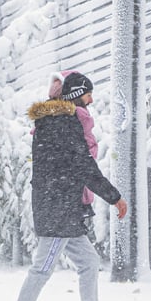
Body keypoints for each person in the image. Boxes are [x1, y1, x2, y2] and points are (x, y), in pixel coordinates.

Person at [0, 72, 129, 301]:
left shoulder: (55, 121)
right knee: (41, 271)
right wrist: (114, 197)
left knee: (89, 262)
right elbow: (84, 166)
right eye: (87, 94)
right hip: (58, 212)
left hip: (64, 210)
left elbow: (72, 167)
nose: (91, 100)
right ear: (75, 95)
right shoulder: (62, 123)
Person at [49, 71, 99, 220]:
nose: (91, 100)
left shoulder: (51, 122)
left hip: (65, 197)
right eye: (88, 95)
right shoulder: (77, 118)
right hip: (74, 197)